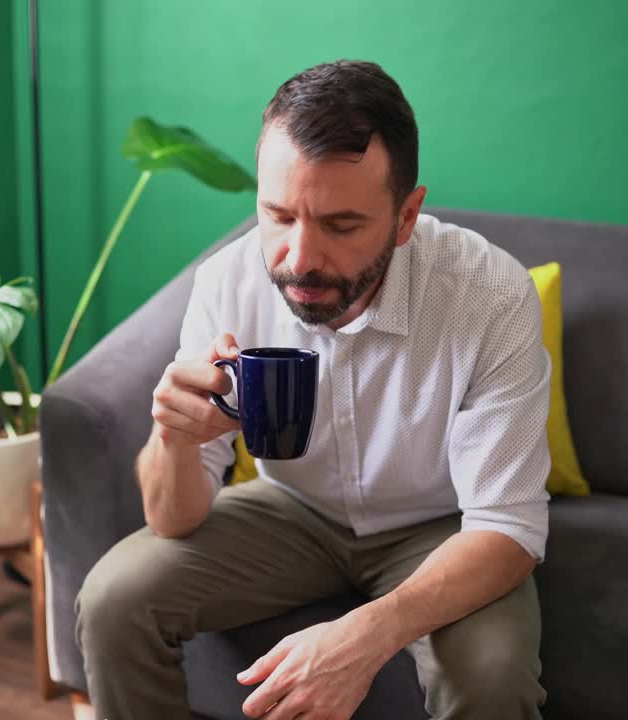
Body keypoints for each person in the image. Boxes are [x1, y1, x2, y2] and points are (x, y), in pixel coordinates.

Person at [76, 59, 551, 720]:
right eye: (278, 216)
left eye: (340, 225)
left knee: (491, 680)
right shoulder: (228, 283)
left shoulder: (490, 293)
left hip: (442, 527)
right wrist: (176, 441)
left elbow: (508, 527)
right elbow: (173, 519)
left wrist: (365, 635)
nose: (298, 258)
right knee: (112, 600)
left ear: (407, 215)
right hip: (291, 509)